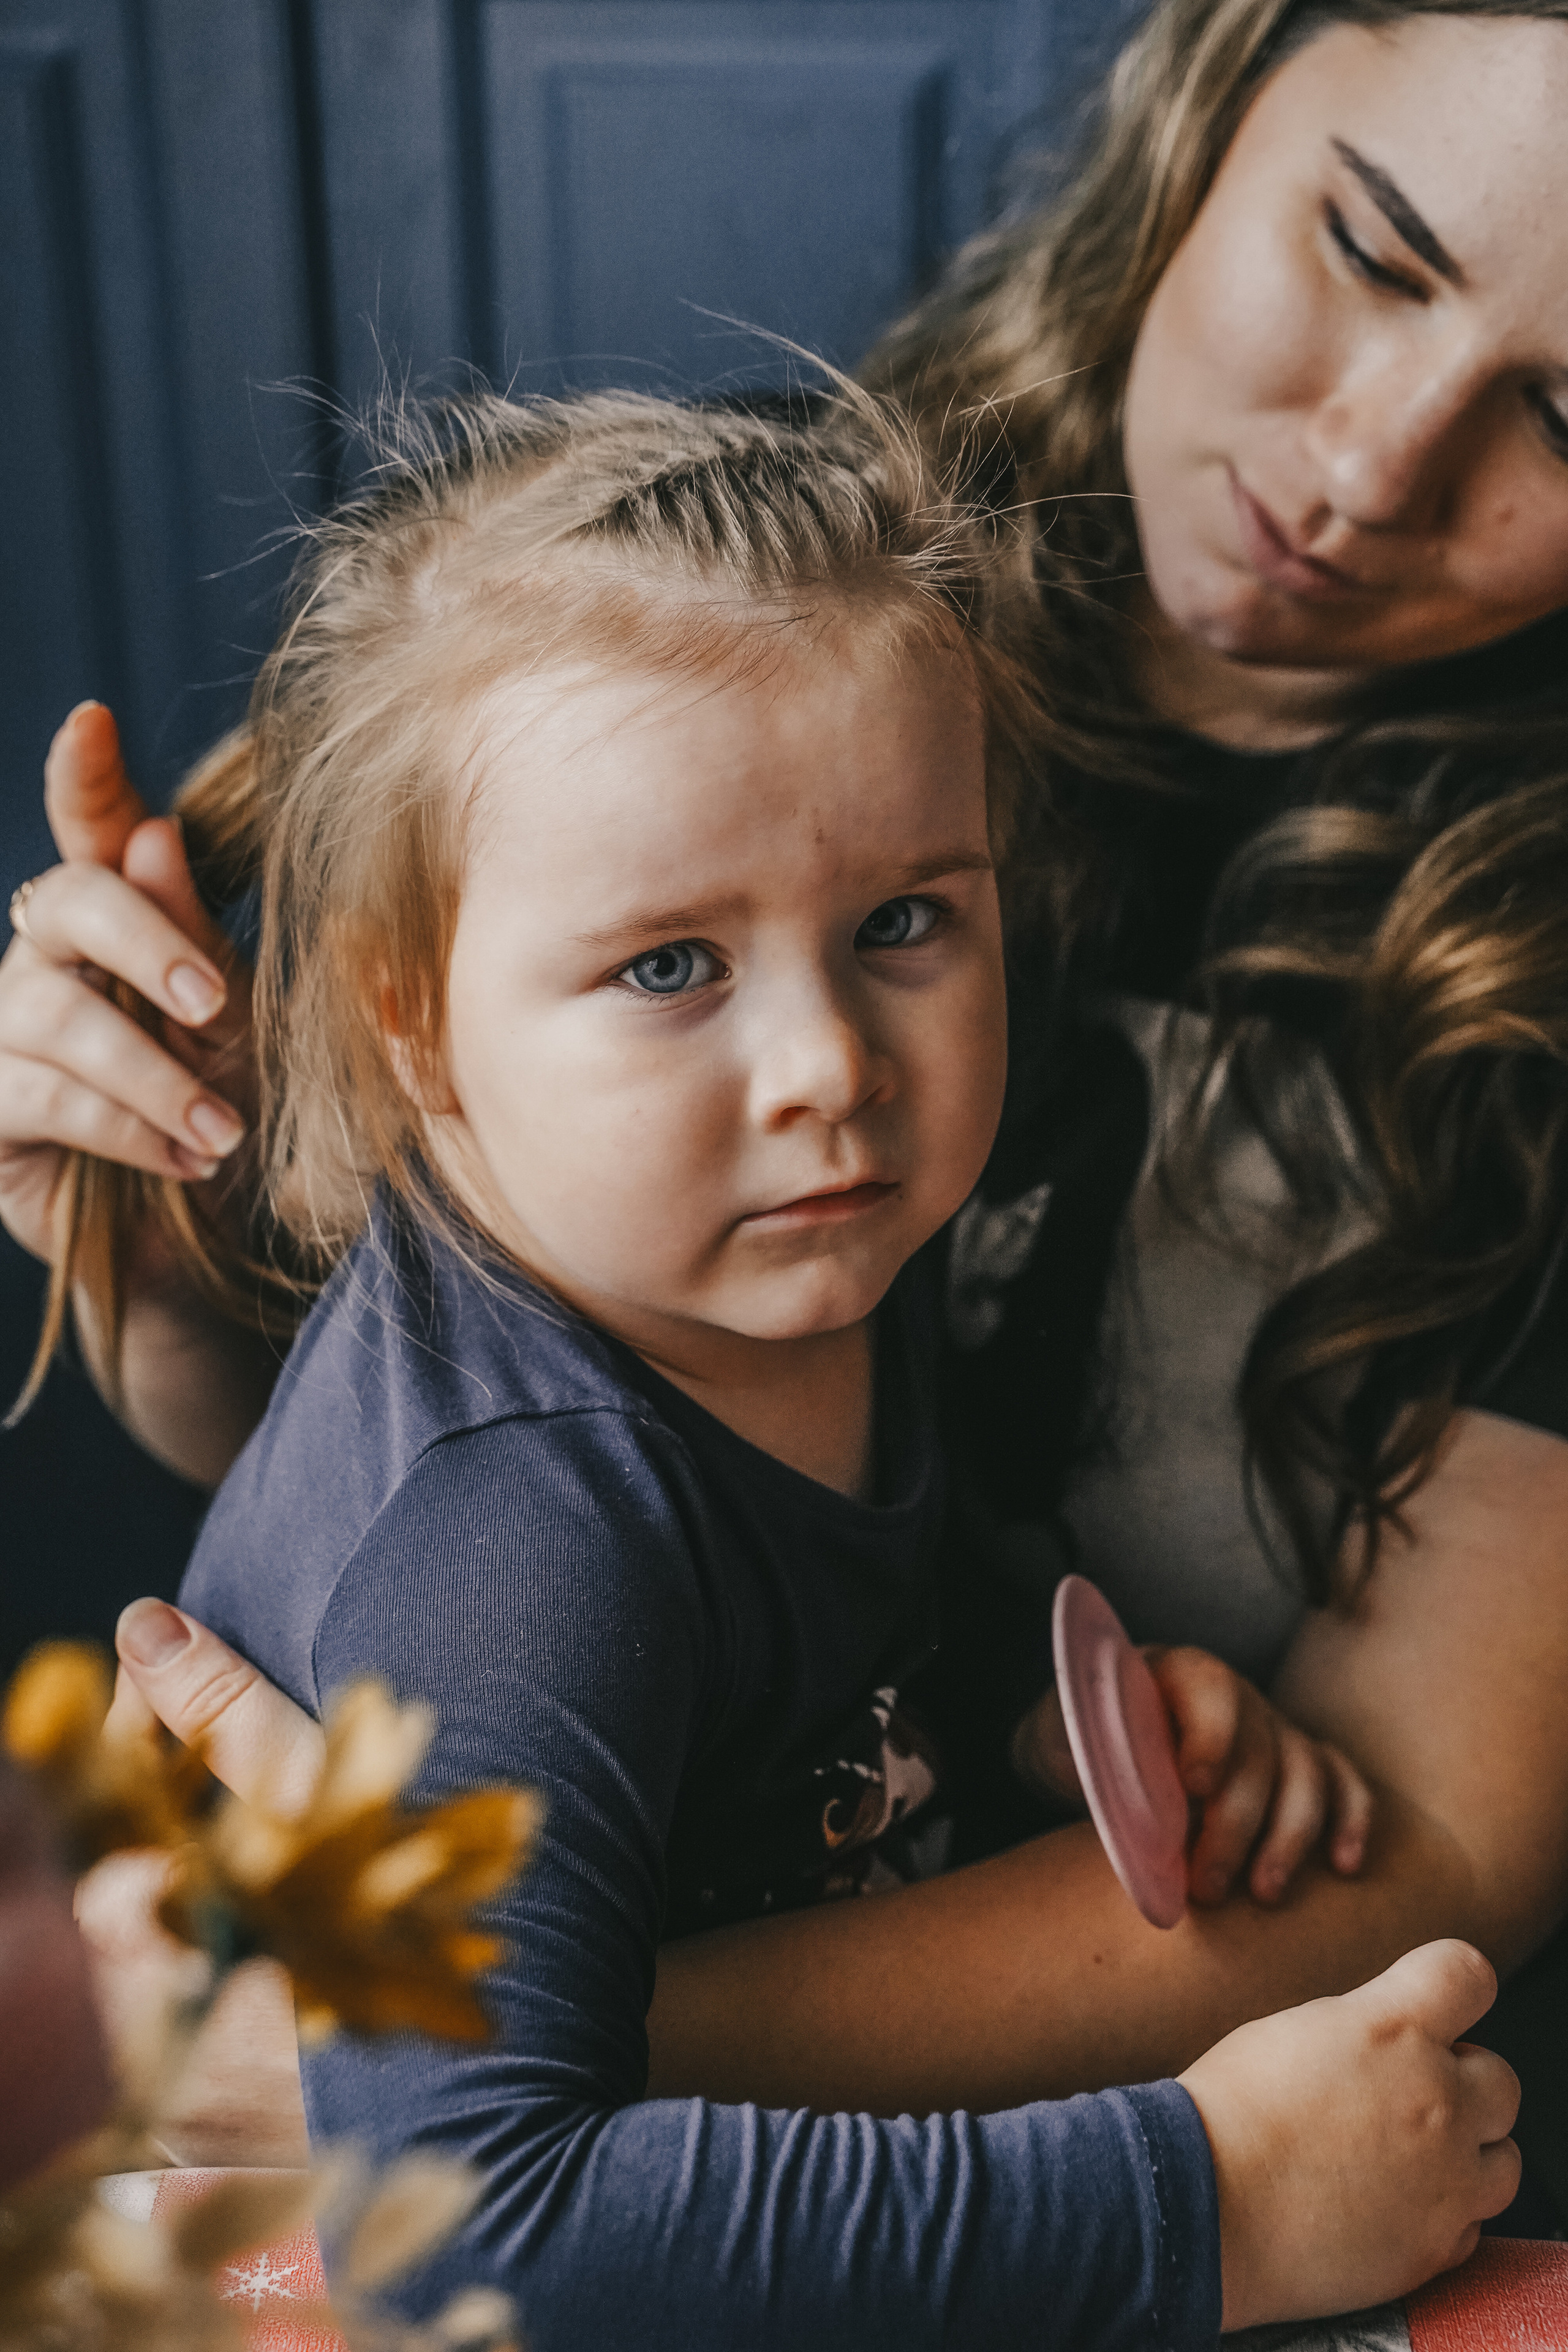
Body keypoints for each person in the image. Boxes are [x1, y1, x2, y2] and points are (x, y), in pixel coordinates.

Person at [4, 0, 1568, 2188]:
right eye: (1375, 251)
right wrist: (161, 1201)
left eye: (1567, 420)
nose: (1375, 457)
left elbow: (1434, 1848)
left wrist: (450, 2036)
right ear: (1219, 87)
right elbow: (396, 1488)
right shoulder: (737, 604)